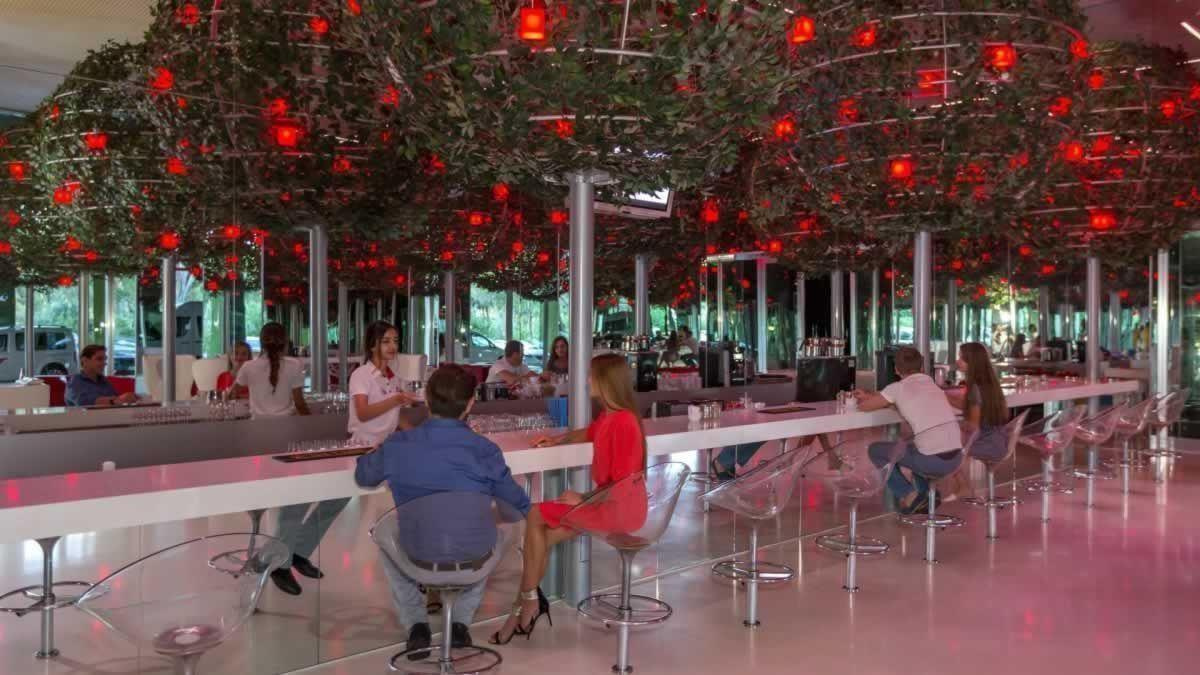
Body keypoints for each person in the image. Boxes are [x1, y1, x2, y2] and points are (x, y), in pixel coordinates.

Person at [355, 364, 530, 654]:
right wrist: (488, 516)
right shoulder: (485, 450)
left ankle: (416, 623)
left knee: (384, 531)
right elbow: (516, 509)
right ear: (470, 403)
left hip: (417, 557)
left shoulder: (398, 444)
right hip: (474, 560)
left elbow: (364, 476)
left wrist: (372, 455)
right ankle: (460, 623)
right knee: (496, 530)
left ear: (426, 398)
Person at [490, 353, 647, 645]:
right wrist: (557, 439)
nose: (587, 380)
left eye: (592, 376)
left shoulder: (623, 421)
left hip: (618, 508)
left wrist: (582, 498)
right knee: (542, 539)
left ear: (606, 381)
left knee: (535, 514)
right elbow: (588, 432)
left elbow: (622, 484)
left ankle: (525, 606)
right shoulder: (611, 416)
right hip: (610, 504)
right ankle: (525, 606)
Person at [233, 322, 346, 596]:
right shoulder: (294, 366)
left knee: (304, 497)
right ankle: (279, 561)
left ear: (261, 343)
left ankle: (288, 555)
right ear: (286, 343)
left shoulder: (248, 368)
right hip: (287, 440)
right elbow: (300, 403)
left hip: (257, 443)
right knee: (297, 499)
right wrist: (314, 427)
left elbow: (232, 394)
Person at [855, 346, 963, 514]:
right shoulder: (932, 384)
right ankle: (926, 495)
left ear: (896, 369)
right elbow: (899, 400)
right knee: (912, 447)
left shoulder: (898, 388)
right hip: (956, 458)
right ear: (921, 367)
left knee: (876, 450)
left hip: (931, 461)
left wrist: (863, 398)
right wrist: (886, 401)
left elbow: (864, 407)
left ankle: (909, 495)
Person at [348, 321, 415, 446]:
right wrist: (395, 400)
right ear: (372, 346)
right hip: (363, 446)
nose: (393, 346)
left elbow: (394, 415)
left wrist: (416, 435)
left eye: (395, 341)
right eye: (386, 341)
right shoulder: (361, 374)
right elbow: (362, 413)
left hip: (385, 445)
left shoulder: (394, 378)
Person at [947, 342, 1009, 462]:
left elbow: (973, 428)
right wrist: (945, 396)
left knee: (944, 450)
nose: (957, 361)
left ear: (972, 362)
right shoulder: (988, 382)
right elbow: (970, 406)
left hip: (986, 444)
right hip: (999, 441)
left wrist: (954, 425)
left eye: (961, 358)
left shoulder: (975, 388)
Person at [66, 345, 138, 407]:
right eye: (99, 359)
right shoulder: (75, 381)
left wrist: (128, 398)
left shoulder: (104, 381)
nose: (104, 363)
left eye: (104, 359)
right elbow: (84, 402)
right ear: (85, 361)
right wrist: (118, 400)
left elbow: (116, 398)